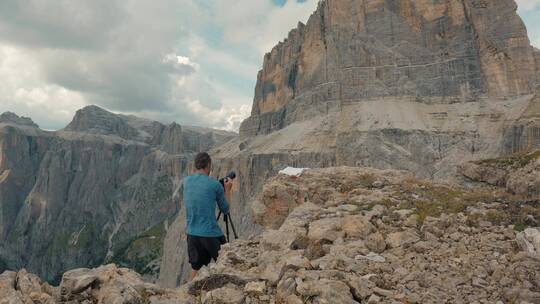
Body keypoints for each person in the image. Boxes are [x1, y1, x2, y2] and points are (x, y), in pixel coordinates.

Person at [183, 152, 233, 281]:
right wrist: (227, 189)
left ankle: (186, 292)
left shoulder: (186, 181)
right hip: (210, 234)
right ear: (208, 165)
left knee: (196, 267)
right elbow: (225, 209)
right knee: (227, 262)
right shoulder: (215, 185)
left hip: (192, 233)